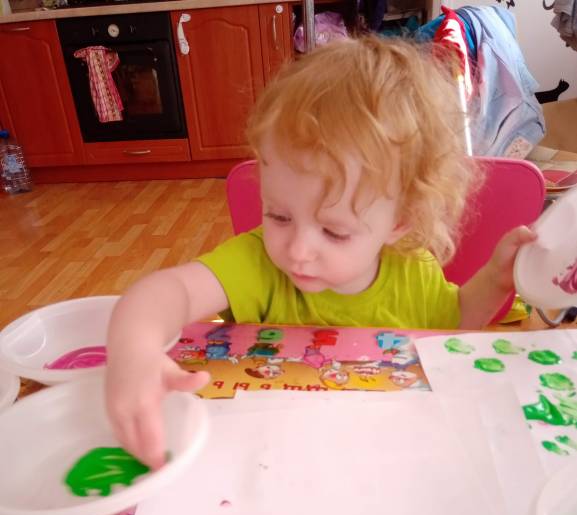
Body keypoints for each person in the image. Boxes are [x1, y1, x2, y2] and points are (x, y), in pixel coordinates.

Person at [106, 35, 536, 469]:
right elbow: (167, 293)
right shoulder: (257, 264)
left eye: (334, 231)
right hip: (271, 457)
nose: (297, 250)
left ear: (399, 222)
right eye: (279, 216)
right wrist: (135, 351)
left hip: (378, 457)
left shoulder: (413, 271)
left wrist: (495, 280)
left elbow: (454, 321)